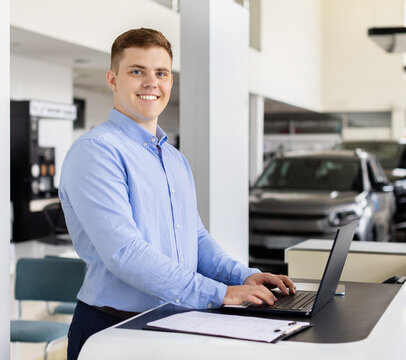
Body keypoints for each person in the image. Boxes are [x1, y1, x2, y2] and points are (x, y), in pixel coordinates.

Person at [59, 27, 295, 360]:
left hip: (177, 320)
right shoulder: (96, 152)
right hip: (114, 328)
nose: (151, 82)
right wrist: (220, 293)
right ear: (113, 80)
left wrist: (246, 276)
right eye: (137, 71)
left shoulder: (174, 158)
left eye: (161, 73)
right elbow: (125, 252)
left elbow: (195, 239)